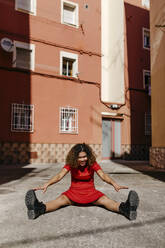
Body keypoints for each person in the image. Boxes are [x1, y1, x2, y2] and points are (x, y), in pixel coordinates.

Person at [25, 143, 139, 221]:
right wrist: (47, 184)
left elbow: (103, 175)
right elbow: (60, 175)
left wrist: (114, 184)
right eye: (80, 157)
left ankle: (127, 209)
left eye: (85, 157)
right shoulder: (71, 164)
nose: (83, 159)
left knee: (105, 200)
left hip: (89, 195)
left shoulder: (92, 163)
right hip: (75, 195)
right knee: (104, 201)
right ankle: (37, 209)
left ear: (88, 156)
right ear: (75, 158)